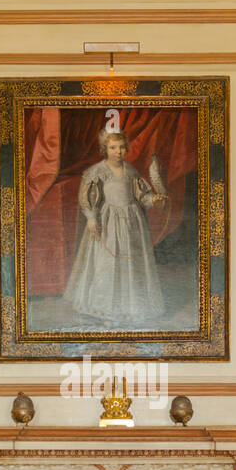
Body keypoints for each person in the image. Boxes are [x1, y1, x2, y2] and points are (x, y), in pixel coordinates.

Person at [63, 129, 169, 328]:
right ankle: (107, 311)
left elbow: (142, 196)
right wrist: (92, 218)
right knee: (108, 264)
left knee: (130, 263)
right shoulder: (97, 171)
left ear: (126, 149)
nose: (118, 151)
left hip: (131, 222)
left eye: (121, 147)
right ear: (105, 149)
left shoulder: (131, 171)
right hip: (108, 222)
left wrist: (154, 199)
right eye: (113, 148)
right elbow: (87, 198)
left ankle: (131, 309)